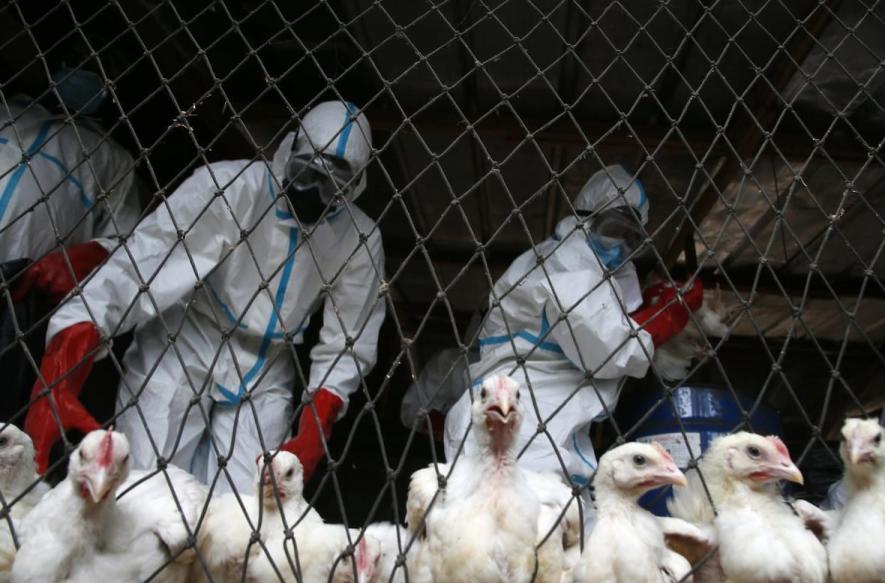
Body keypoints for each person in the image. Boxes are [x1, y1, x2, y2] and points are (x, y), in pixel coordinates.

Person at [24, 100, 387, 493]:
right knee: (145, 490)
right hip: (186, 340)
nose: (313, 193)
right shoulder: (230, 189)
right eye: (306, 173)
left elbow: (349, 340)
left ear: (355, 186)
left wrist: (317, 424)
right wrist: (69, 350)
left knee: (246, 514)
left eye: (332, 185)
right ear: (290, 149)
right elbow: (145, 264)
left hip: (266, 369)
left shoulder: (360, 240)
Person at [443, 165, 703, 494]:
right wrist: (667, 316)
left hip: (534, 424)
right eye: (614, 228)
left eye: (632, 238)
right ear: (585, 216)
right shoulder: (568, 259)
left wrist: (646, 310)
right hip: (514, 423)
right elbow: (605, 349)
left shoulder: (590, 270)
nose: (621, 245)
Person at [0, 68, 140, 302]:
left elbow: (123, 240)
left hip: (13, 282)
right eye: (77, 60)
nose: (81, 68)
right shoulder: (10, 109)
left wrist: (80, 260)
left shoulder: (113, 159)